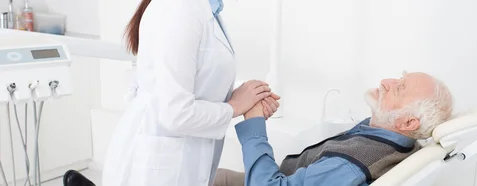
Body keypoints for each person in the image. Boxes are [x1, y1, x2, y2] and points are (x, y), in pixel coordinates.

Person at [63, 0, 281, 186]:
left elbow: (199, 78)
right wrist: (234, 106)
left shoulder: (204, 9)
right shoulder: (180, 8)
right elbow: (176, 112)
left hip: (179, 159)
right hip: (158, 167)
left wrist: (250, 96)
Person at [213, 72, 453, 186]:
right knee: (205, 172)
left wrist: (254, 121)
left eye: (400, 88)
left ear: (408, 123)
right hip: (286, 177)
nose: (385, 81)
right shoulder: (395, 139)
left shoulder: (352, 165)